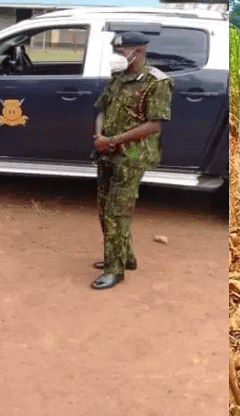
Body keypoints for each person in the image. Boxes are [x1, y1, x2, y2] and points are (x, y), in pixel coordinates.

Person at [90, 31, 172, 290]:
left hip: (133, 154)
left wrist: (113, 141)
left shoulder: (156, 82)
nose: (118, 55)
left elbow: (154, 125)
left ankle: (115, 269)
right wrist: (101, 135)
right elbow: (102, 108)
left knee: (117, 210)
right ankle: (125, 256)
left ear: (137, 51)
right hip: (107, 150)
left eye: (122, 50)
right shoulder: (118, 78)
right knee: (104, 208)